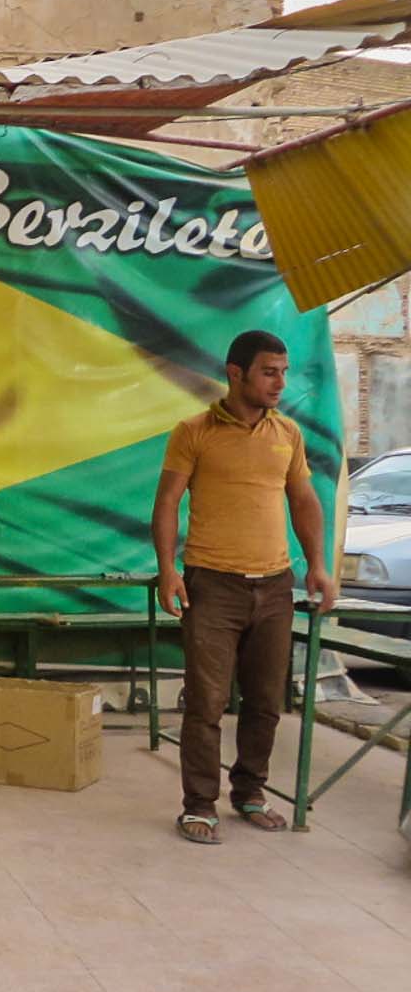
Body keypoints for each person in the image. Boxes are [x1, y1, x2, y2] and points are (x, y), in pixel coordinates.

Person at [153, 329, 335, 845]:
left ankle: (250, 793)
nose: (280, 382)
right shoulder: (194, 431)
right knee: (206, 704)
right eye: (269, 371)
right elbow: (168, 503)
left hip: (276, 586)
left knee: (265, 701)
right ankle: (199, 805)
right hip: (212, 585)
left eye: (283, 371)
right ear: (236, 373)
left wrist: (317, 565)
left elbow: (303, 501)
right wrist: (169, 570)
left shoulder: (288, 434)